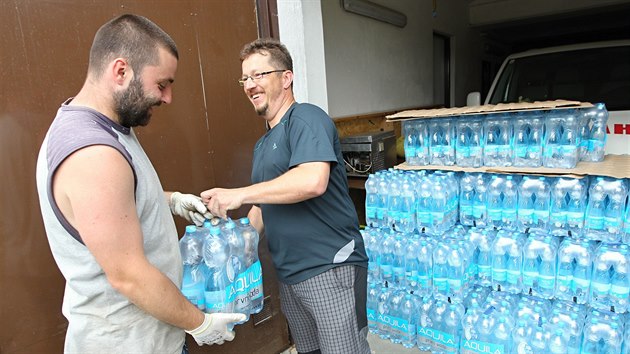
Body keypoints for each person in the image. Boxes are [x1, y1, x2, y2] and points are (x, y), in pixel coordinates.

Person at [35, 14, 245, 353]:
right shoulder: (93, 153)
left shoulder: (110, 127)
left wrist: (172, 199)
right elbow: (128, 275)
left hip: (151, 337)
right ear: (121, 71)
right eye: (162, 84)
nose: (167, 98)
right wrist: (200, 323)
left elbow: (112, 204)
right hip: (129, 344)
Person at [201, 38, 371, 354]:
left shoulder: (306, 118)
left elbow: (312, 181)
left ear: (286, 77)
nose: (250, 85)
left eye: (259, 75)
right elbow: (262, 208)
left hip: (329, 267)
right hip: (291, 275)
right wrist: (229, 245)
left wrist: (238, 193)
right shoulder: (264, 145)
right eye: (245, 78)